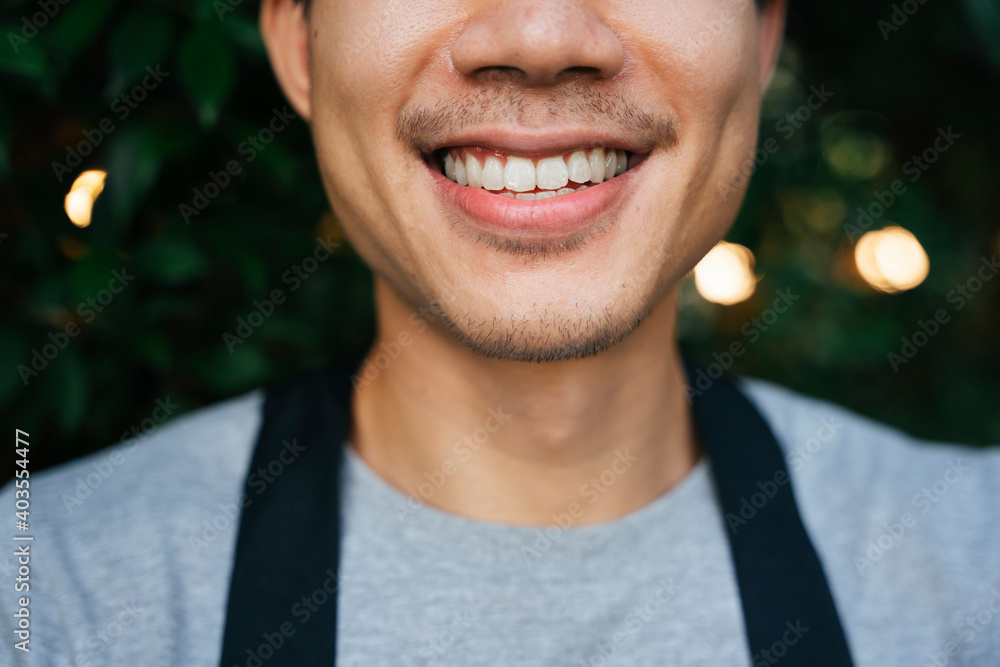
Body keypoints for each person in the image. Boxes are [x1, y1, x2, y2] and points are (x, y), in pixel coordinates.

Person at [3, 0, 998, 665]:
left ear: (760, 36)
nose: (537, 33)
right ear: (299, 45)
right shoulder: (43, 597)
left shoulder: (973, 570)